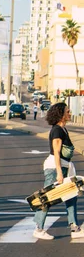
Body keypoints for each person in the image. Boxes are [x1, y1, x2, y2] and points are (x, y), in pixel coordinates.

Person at [33, 103, 84, 240]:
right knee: (47, 198)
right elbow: (56, 152)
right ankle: (38, 228)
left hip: (65, 167)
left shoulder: (63, 129)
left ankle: (74, 227)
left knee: (71, 196)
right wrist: (59, 173)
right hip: (55, 168)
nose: (70, 112)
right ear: (61, 114)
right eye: (67, 111)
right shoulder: (57, 130)